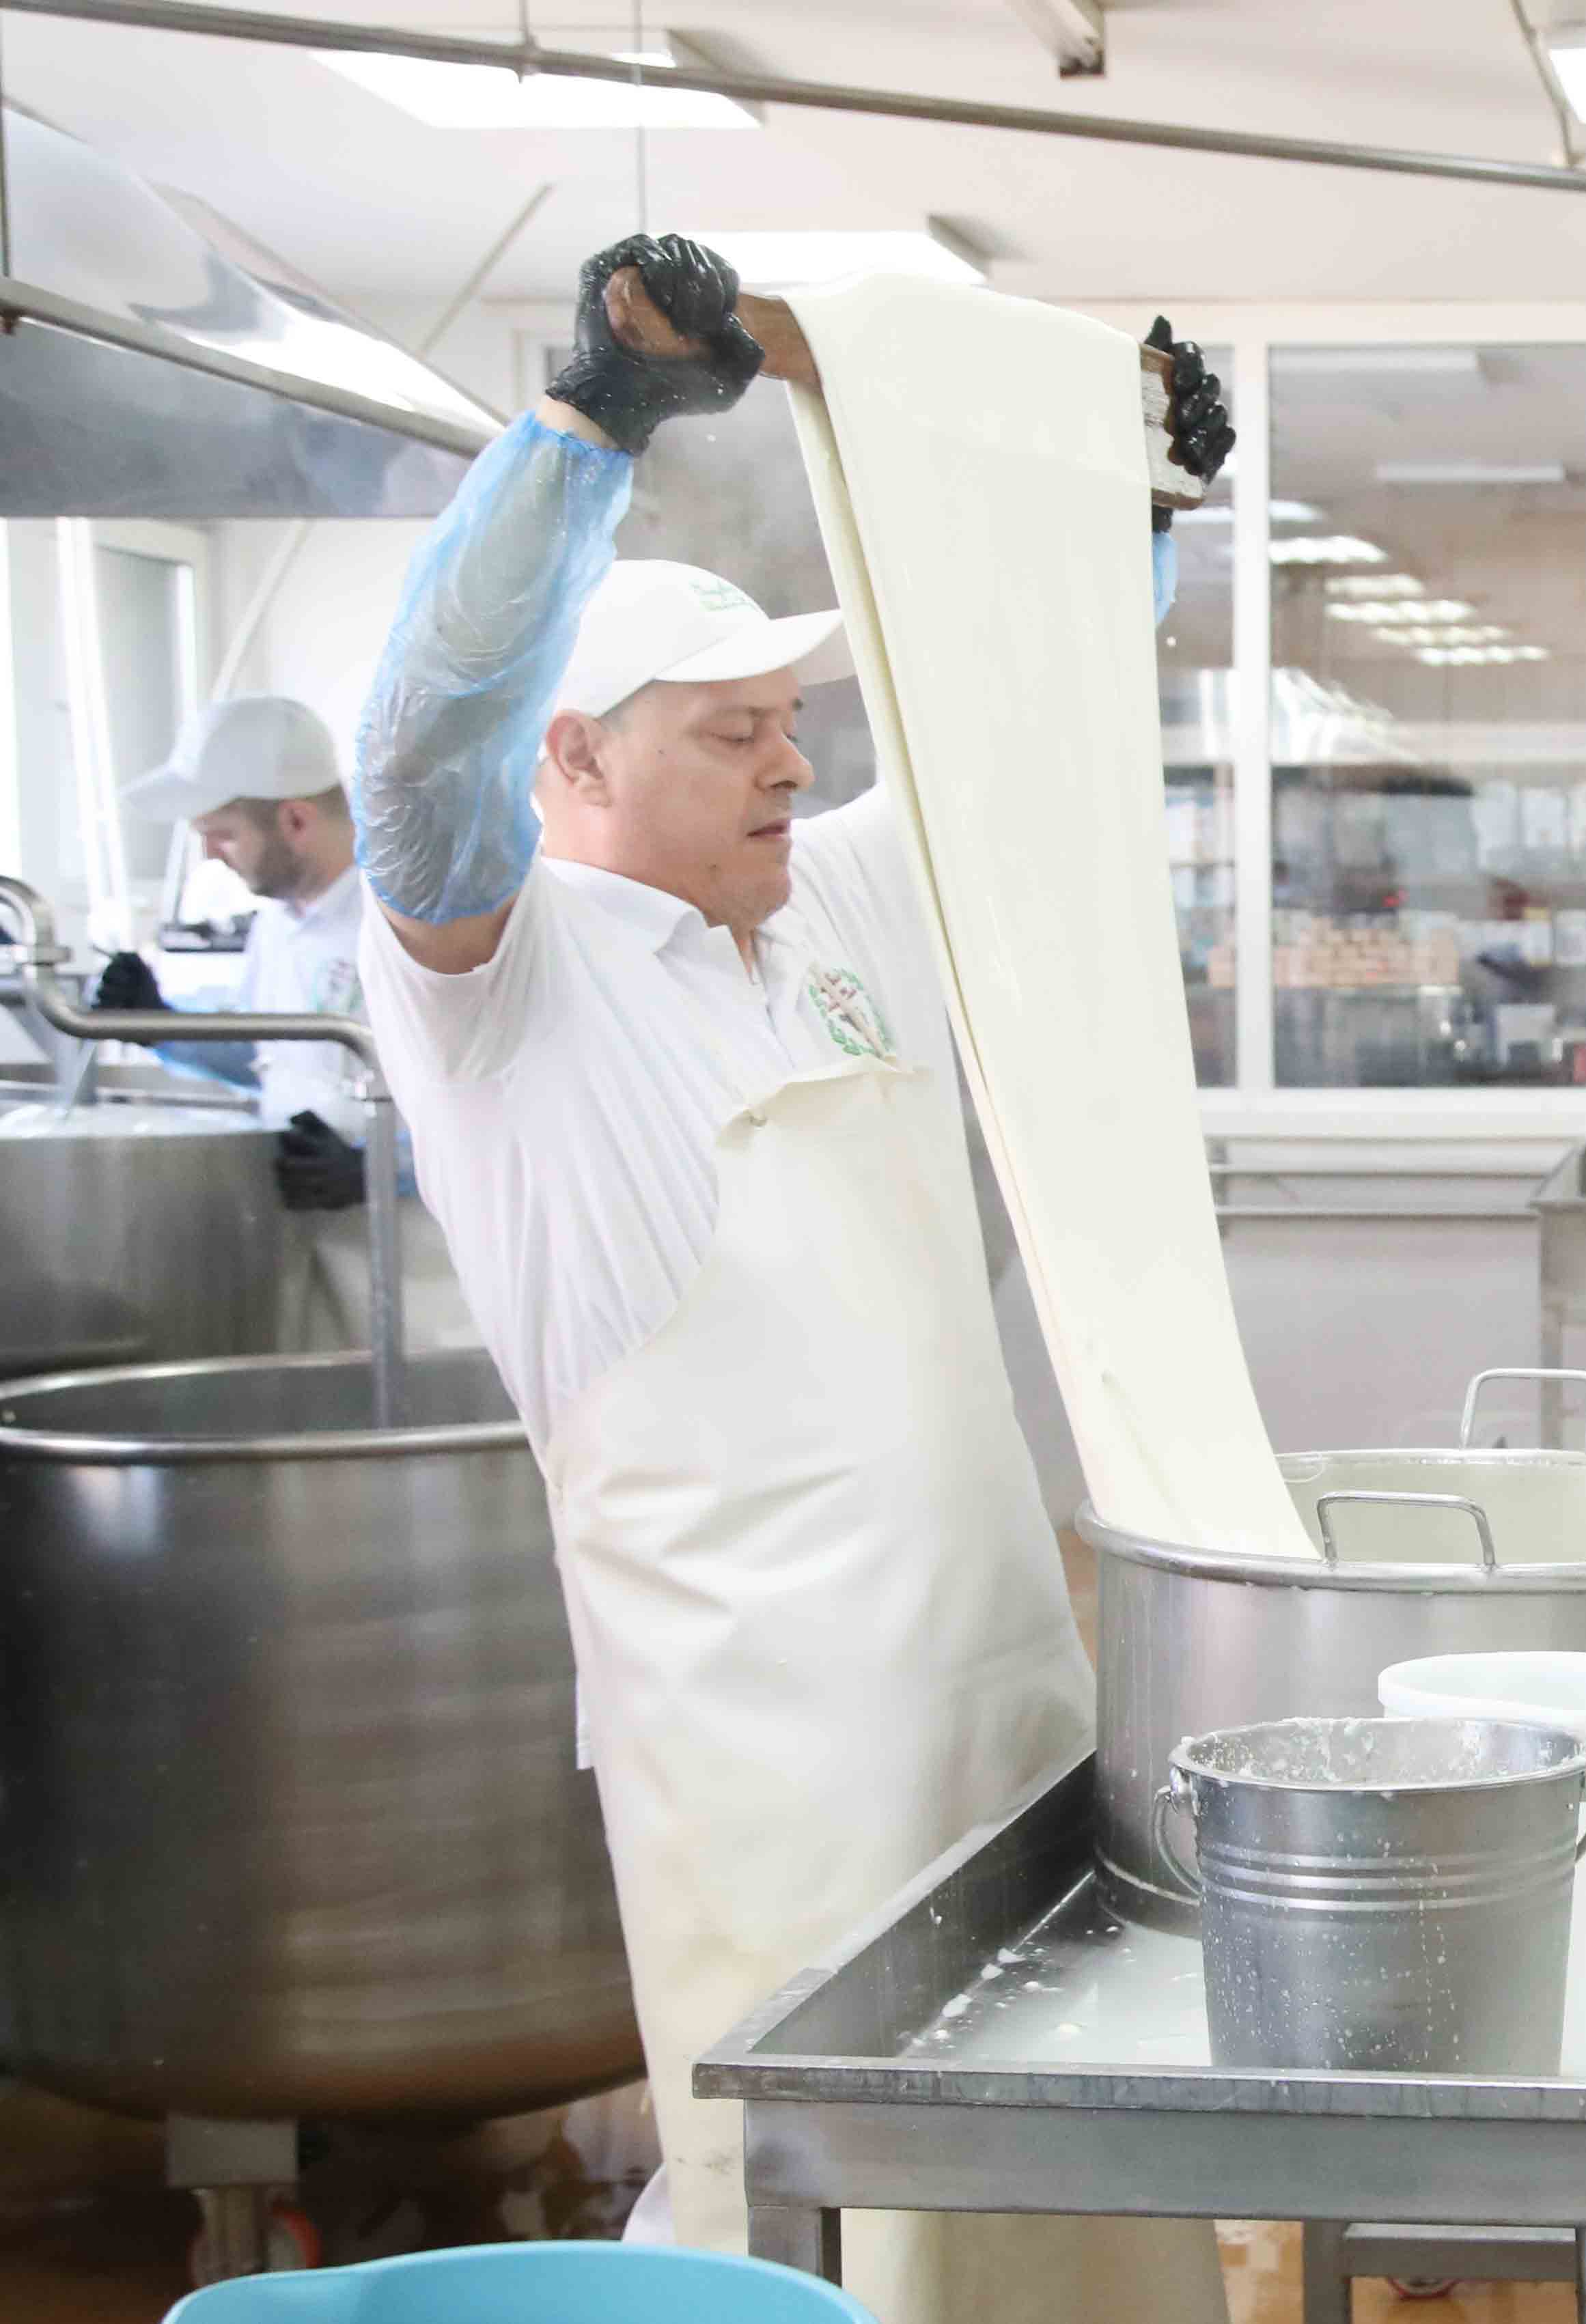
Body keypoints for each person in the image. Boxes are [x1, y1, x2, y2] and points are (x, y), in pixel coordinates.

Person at [349, 232, 1234, 2319]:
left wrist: (1128, 520)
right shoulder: (506, 992)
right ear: (572, 758)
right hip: (772, 1781)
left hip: (1006, 1702)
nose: (789, 766)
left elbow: (1030, 750)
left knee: (1074, 2216)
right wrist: (591, 426)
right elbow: (417, 756)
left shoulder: (833, 905)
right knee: (824, 2237)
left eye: (790, 723)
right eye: (731, 732)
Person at [100, 697, 471, 1345]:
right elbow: (275, 1054)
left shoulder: (417, 918)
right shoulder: (278, 924)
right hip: (322, 1258)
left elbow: (495, 1094)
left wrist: (384, 1168)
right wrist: (161, 1024)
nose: (212, 856)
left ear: (295, 819)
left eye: (224, 834)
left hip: (429, 1278)